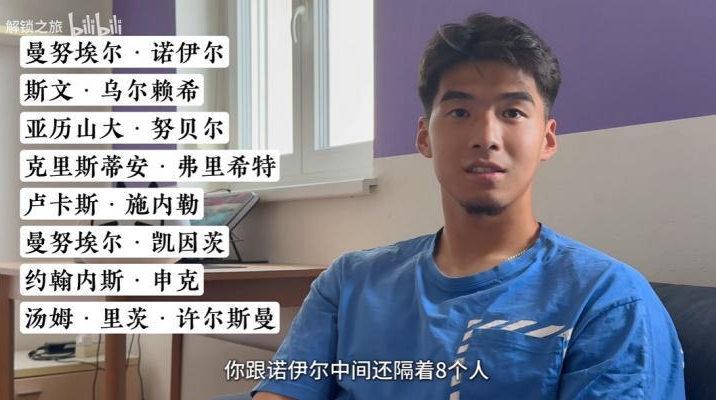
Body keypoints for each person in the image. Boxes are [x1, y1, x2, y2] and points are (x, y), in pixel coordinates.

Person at [252, 12, 685, 400]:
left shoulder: (609, 300)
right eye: (460, 112)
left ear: (547, 139)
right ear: (424, 137)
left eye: (513, 113)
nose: (486, 137)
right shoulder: (349, 282)